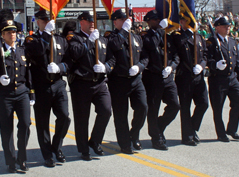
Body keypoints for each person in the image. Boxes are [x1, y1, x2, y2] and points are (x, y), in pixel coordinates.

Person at [24, 9, 71, 167]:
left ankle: (56, 147)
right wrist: (45, 35)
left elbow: (69, 61)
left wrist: (60, 67)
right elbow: (35, 51)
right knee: (43, 123)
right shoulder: (32, 39)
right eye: (44, 20)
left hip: (58, 84)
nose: (47, 22)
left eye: (49, 20)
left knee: (64, 117)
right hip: (41, 85)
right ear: (38, 21)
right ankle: (47, 155)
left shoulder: (60, 39)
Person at [0, 9, 33, 173]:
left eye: (14, 31)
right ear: (3, 34)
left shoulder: (22, 51)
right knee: (7, 129)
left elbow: (28, 73)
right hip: (5, 95)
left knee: (26, 125)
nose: (12, 34)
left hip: (22, 93)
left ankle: (22, 157)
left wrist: (31, 93)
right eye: (8, 32)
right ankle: (11, 160)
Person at [67, 11, 112, 161]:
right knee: (82, 118)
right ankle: (84, 149)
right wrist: (89, 42)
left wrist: (106, 67)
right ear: (81, 22)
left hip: (99, 82)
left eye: (94, 21)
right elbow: (74, 53)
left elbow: (112, 59)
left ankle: (95, 141)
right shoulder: (74, 38)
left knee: (106, 111)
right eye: (89, 20)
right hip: (81, 83)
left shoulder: (102, 39)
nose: (92, 23)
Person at [105, 9, 148, 154]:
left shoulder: (136, 38)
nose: (125, 22)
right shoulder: (111, 37)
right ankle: (124, 143)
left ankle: (134, 134)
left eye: (126, 20)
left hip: (136, 79)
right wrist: (123, 31)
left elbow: (145, 57)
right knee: (121, 115)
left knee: (142, 107)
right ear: (115, 22)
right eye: (122, 20)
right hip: (119, 81)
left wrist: (139, 67)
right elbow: (115, 46)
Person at [140, 10, 180, 151]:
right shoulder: (146, 37)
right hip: (153, 78)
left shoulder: (167, 37)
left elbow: (176, 56)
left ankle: (158, 126)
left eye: (159, 19)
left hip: (168, 77)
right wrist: (160, 31)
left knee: (175, 105)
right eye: (155, 20)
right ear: (149, 21)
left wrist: (171, 67)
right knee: (153, 109)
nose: (157, 21)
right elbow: (152, 46)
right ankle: (156, 138)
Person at [171, 16, 208, 146]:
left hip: (198, 76)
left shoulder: (199, 37)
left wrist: (202, 66)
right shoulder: (177, 36)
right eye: (188, 21)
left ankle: (192, 128)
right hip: (184, 76)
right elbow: (179, 46)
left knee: (203, 104)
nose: (192, 23)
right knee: (185, 107)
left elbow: (204, 55)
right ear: (181, 22)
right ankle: (187, 136)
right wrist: (188, 33)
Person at [206, 16, 239, 142]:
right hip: (218, 79)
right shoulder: (211, 42)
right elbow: (206, 58)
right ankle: (221, 133)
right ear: (217, 28)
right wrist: (215, 65)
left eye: (228, 26)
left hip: (232, 78)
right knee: (218, 108)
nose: (228, 28)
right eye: (225, 26)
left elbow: (237, 60)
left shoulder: (232, 41)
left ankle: (232, 129)